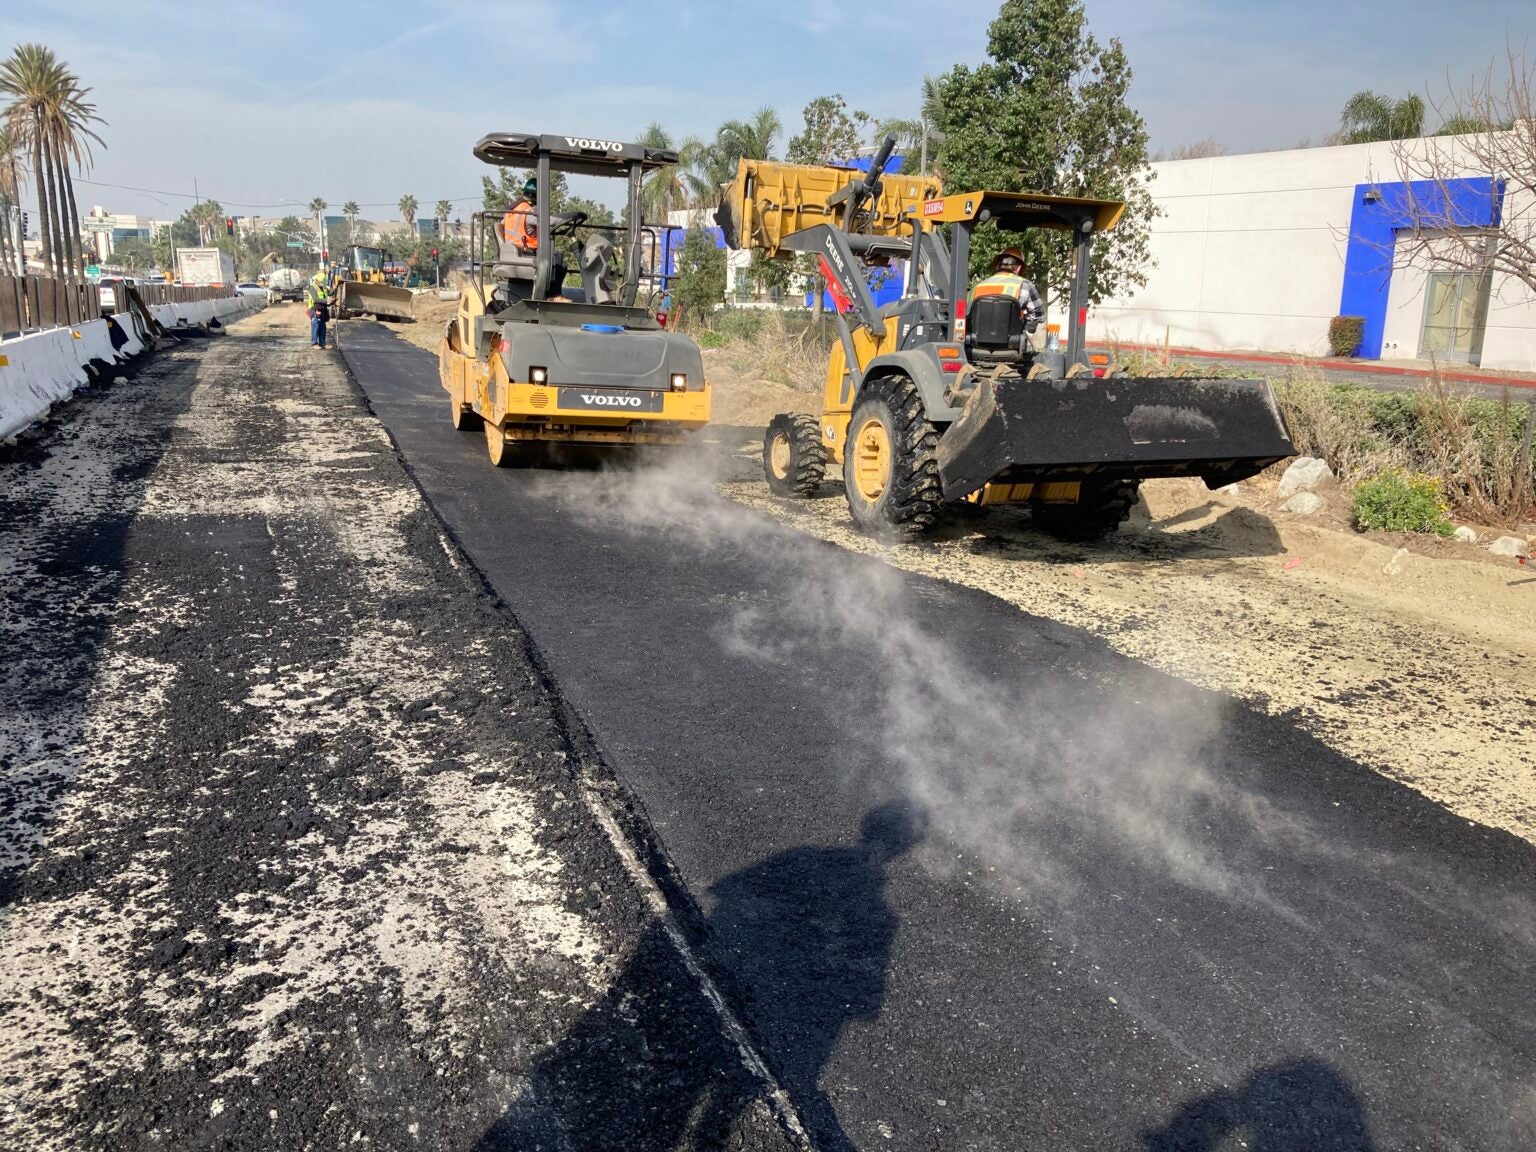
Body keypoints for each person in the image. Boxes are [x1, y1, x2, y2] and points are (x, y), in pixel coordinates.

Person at [968, 246, 1045, 335]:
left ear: (997, 266)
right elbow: (1038, 314)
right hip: (1011, 342)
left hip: (976, 341)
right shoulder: (1024, 285)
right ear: (1019, 268)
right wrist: (1025, 325)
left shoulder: (978, 286)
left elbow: (967, 314)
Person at [498, 176, 540, 257]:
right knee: (557, 267)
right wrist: (571, 215)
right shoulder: (529, 213)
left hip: (514, 253)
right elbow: (550, 221)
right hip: (527, 254)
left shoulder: (511, 210)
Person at [304, 270, 331, 349]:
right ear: (318, 280)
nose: (323, 283)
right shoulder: (312, 287)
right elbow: (315, 299)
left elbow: (330, 293)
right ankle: (314, 343)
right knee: (316, 325)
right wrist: (326, 300)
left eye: (324, 281)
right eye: (322, 281)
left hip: (322, 308)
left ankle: (322, 343)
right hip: (314, 308)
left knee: (323, 327)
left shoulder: (324, 287)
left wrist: (332, 289)